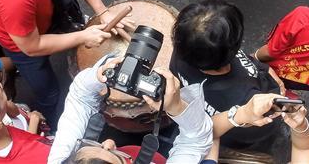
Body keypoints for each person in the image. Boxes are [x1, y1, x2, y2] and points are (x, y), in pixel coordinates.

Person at [49, 58, 213, 164]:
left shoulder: (61, 159)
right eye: (118, 157)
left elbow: (80, 97)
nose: (109, 142)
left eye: (85, 144)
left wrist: (98, 77)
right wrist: (177, 108)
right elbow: (196, 142)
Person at [170, 0, 282, 151]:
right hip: (246, 130)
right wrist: (277, 92)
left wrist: (263, 68)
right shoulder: (245, 96)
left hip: (220, 125)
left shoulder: (184, 52)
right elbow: (261, 126)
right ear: (234, 47)